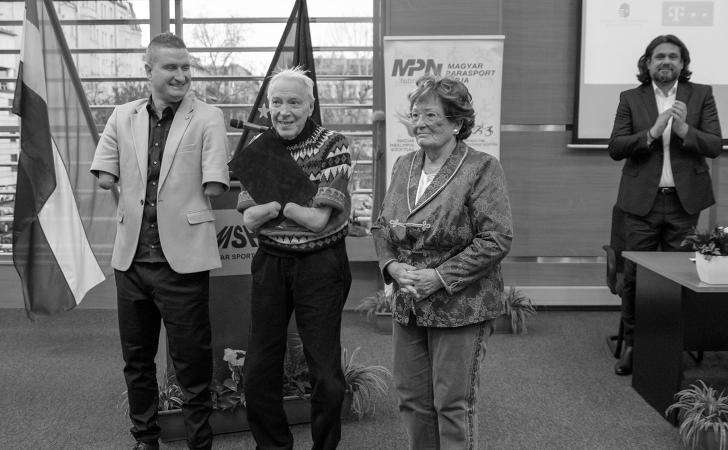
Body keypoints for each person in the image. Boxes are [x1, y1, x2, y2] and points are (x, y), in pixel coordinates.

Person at [90, 32, 230, 450]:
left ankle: (198, 444)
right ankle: (145, 440)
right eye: (171, 67)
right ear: (147, 70)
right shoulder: (121, 115)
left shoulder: (208, 117)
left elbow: (215, 186)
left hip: (182, 262)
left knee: (192, 365)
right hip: (130, 261)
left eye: (186, 67)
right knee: (136, 362)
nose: (182, 75)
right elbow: (105, 176)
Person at [372, 76, 512, 449]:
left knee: (452, 404)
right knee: (413, 401)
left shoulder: (482, 168)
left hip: (459, 303)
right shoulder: (404, 164)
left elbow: (496, 238)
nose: (420, 122)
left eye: (431, 114)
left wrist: (439, 276)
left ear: (456, 121)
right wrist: (390, 266)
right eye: (416, 114)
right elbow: (382, 226)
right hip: (409, 302)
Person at [236, 67, 352, 450]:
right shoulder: (259, 149)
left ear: (311, 105)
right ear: (268, 106)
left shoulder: (333, 144)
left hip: (321, 266)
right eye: (277, 102)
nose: (284, 111)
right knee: (258, 369)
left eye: (294, 102)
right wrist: (292, 204)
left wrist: (276, 204)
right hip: (271, 263)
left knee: (325, 374)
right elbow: (249, 220)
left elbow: (319, 222)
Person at [609, 34, 722, 376]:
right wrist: (652, 133)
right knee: (634, 278)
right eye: (659, 56)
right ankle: (634, 344)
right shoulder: (631, 98)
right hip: (641, 203)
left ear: (683, 64)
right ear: (647, 63)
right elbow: (616, 147)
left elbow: (715, 145)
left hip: (683, 204)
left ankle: (672, 342)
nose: (666, 61)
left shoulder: (701, 94)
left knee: (678, 277)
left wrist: (686, 128)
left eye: (673, 56)